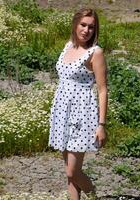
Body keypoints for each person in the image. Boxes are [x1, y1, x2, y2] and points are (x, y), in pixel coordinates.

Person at [48, 8, 108, 200]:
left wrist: (101, 125)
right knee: (69, 172)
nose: (86, 30)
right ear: (75, 24)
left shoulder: (95, 52)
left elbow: (102, 90)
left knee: (72, 172)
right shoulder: (68, 46)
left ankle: (93, 195)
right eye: (83, 25)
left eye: (91, 27)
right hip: (62, 111)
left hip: (82, 115)